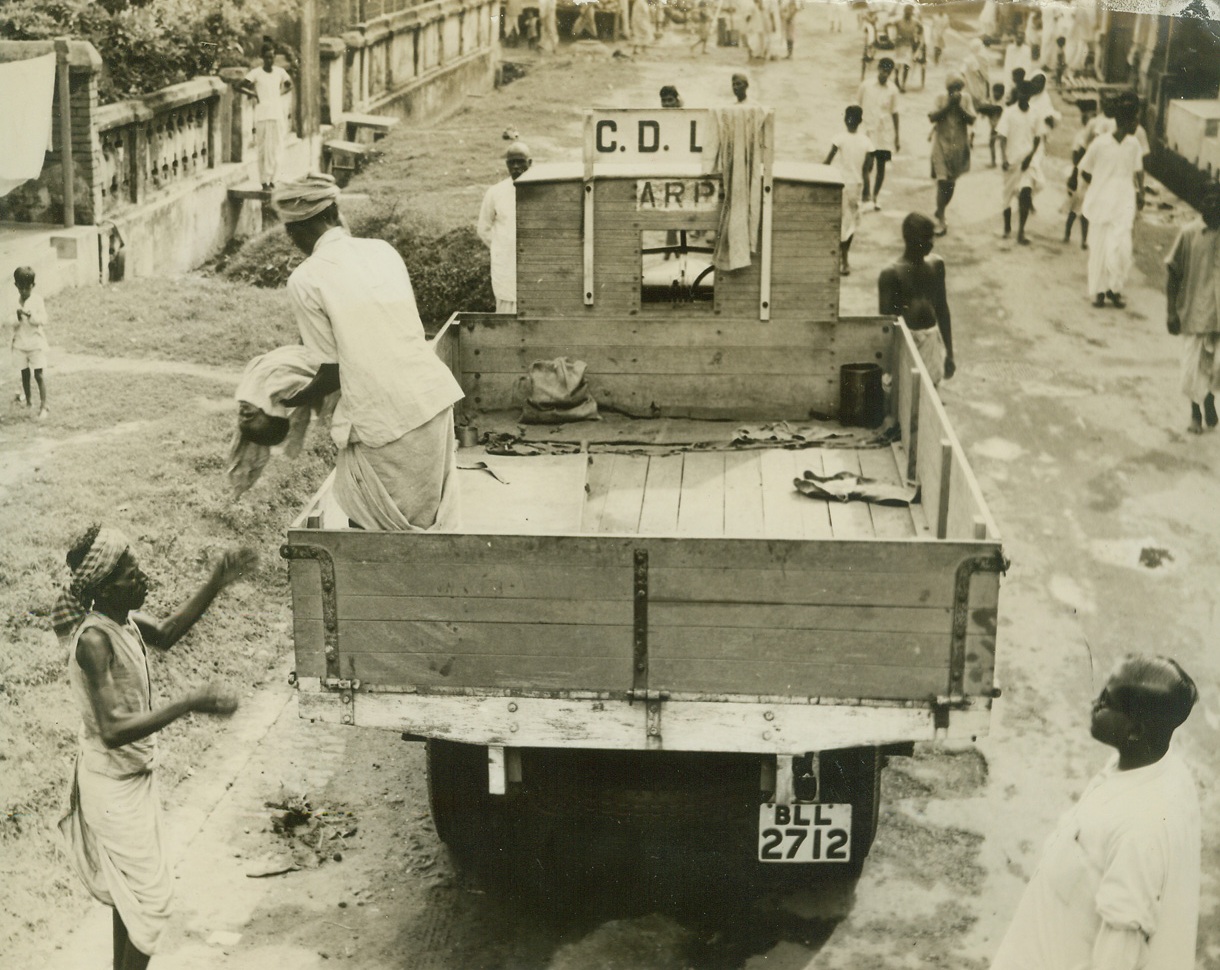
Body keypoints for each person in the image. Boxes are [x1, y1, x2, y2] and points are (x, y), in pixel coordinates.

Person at [53, 525, 256, 970]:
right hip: (112, 790)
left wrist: (216, 581)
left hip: (129, 782)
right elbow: (111, 728)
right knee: (151, 905)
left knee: (133, 903)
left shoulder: (122, 622)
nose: (143, 577)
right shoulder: (94, 641)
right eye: (130, 573)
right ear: (104, 589)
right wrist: (189, 703)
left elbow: (165, 631)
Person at [271, 174, 465, 532]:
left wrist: (291, 399)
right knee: (433, 535)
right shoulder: (381, 250)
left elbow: (330, 372)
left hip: (388, 425)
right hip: (432, 403)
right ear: (334, 212)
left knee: (377, 542)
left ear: (294, 230)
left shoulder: (306, 279)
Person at [990, 655, 1200, 970]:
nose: (1093, 703)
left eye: (1105, 702)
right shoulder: (1147, 764)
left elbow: (1119, 955)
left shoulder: (1140, 830)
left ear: (1134, 731)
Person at [1165, 182, 1220, 434]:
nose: (1213, 204)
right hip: (1195, 313)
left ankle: (1208, 398)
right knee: (1192, 367)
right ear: (1200, 203)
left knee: (1216, 367)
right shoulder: (1189, 233)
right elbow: (1173, 273)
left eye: (1217, 200)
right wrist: (1171, 311)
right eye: (1208, 200)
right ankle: (1196, 413)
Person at [1079, 98, 1143, 308]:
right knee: (1099, 247)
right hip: (1102, 204)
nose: (1137, 124)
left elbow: (1138, 170)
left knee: (1122, 249)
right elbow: (1085, 170)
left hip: (1124, 203)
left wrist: (1140, 192)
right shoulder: (1100, 143)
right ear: (1124, 121)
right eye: (1134, 120)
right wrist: (1099, 188)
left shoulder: (1133, 144)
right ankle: (1098, 291)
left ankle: (1114, 289)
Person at [879, 213, 955, 383]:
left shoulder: (936, 265)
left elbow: (942, 309)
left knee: (931, 394)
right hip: (906, 346)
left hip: (931, 343)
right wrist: (889, 367)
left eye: (932, 237)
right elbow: (886, 325)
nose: (931, 243)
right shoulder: (891, 274)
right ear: (911, 240)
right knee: (907, 397)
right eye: (926, 238)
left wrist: (949, 353)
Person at [478, 142, 532, 315]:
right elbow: (483, 228)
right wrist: (501, 247)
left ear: (529, 163)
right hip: (505, 263)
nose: (516, 167)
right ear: (507, 164)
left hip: (533, 261)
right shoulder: (495, 192)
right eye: (512, 162)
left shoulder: (540, 190)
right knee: (506, 306)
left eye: (520, 162)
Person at [824, 104, 874, 276]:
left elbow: (827, 162)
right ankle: (844, 259)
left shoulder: (840, 138)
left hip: (841, 184)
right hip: (854, 186)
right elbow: (868, 170)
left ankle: (842, 258)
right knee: (849, 223)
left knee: (843, 222)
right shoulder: (866, 142)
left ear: (846, 119)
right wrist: (868, 193)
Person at [238, 45, 293, 191]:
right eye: (267, 57)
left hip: (277, 114)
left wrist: (279, 94)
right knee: (263, 148)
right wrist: (253, 94)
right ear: (262, 58)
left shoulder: (280, 72)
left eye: (272, 57)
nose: (270, 60)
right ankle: (264, 181)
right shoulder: (256, 73)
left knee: (276, 148)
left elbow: (289, 84)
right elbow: (239, 86)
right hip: (262, 115)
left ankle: (273, 179)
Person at [995, 83, 1045, 245]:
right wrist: (1003, 159)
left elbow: (1038, 138)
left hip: (1027, 162)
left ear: (1030, 96)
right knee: (1007, 197)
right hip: (1011, 161)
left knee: (1025, 193)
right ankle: (1007, 227)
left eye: (1027, 94)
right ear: (1018, 94)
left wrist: (1030, 158)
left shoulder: (1036, 114)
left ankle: (1021, 232)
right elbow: (1001, 138)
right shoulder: (1009, 113)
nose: (1024, 96)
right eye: (1021, 93)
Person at [928, 74, 975, 236]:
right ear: (947, 89)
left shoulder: (966, 99)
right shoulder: (940, 98)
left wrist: (959, 107)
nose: (955, 92)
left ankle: (940, 210)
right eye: (952, 89)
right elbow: (932, 117)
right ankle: (941, 219)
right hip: (941, 144)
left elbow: (972, 120)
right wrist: (949, 106)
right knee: (942, 181)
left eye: (958, 89)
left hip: (958, 146)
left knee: (951, 184)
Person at [858, 57, 900, 210]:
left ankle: (874, 197)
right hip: (867, 131)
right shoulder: (866, 86)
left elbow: (895, 113)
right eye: (883, 70)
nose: (885, 74)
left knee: (881, 167)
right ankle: (866, 195)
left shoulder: (893, 90)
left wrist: (897, 137)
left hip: (884, 133)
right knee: (866, 165)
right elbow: (858, 106)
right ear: (878, 69)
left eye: (888, 72)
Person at [8, 265, 49, 419]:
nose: (24, 292)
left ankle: (44, 405)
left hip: (35, 343)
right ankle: (29, 402)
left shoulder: (37, 300)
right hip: (20, 344)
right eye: (21, 288)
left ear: (33, 286)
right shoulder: (14, 302)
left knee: (38, 374)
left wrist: (31, 316)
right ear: (16, 286)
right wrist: (18, 317)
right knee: (24, 374)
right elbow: (9, 321)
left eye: (27, 288)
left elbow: (44, 319)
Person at [890, 5, 922, 92]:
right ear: (904, 12)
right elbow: (888, 25)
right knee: (897, 64)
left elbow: (921, 28)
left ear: (912, 13)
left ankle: (903, 84)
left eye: (910, 12)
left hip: (909, 46)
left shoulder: (915, 22)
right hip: (899, 46)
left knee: (906, 65)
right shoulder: (898, 21)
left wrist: (918, 37)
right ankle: (896, 78)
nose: (908, 13)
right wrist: (892, 38)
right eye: (907, 11)